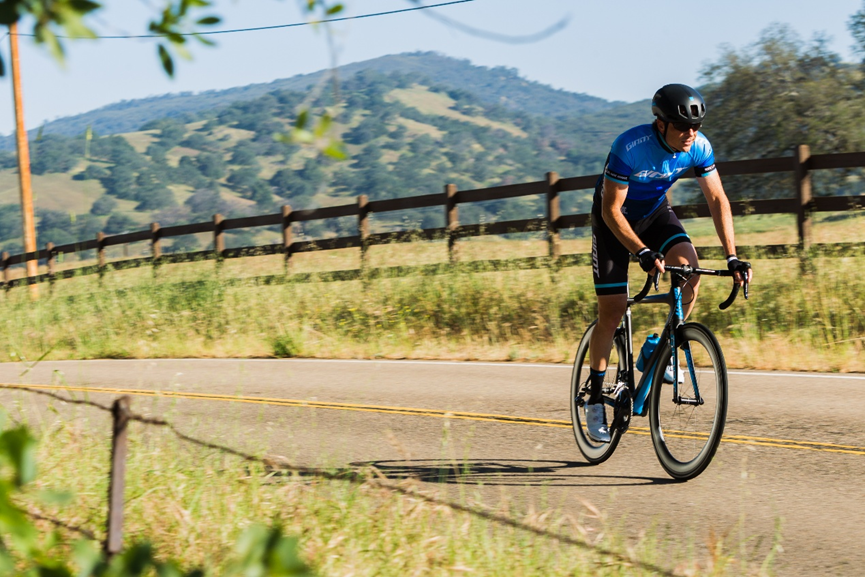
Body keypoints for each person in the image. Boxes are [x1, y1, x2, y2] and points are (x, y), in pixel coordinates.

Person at [584, 84, 753, 443]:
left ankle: (656, 350)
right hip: (613, 222)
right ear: (660, 124)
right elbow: (611, 209)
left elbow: (717, 199)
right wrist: (641, 251)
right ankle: (595, 398)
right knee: (611, 311)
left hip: (654, 214)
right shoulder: (629, 147)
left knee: (690, 274)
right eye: (682, 127)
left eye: (696, 126)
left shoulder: (698, 146)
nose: (690, 134)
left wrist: (732, 256)